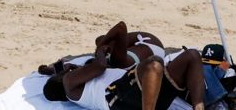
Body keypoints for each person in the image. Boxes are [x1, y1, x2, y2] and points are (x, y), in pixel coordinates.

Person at [42, 42, 207, 110]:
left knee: (192, 55)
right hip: (119, 98)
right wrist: (100, 51)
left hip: (146, 95)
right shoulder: (67, 83)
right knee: (154, 64)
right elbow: (100, 66)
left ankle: (198, 106)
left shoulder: (79, 87)